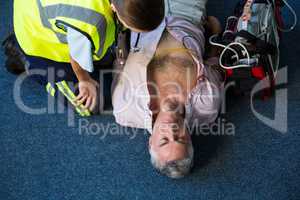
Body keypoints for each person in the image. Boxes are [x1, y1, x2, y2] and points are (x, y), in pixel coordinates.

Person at [112, 0, 224, 178]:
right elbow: (215, 64)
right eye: (179, 139)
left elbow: (119, 64)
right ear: (189, 138)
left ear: (150, 143)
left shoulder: (125, 110)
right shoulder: (207, 106)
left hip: (143, 14)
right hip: (186, 14)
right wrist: (215, 32)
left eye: (164, 141)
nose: (171, 131)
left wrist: (124, 19)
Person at [3, 0, 165, 112]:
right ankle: (23, 56)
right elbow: (75, 57)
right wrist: (84, 80)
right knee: (89, 105)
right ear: (114, 9)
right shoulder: (91, 25)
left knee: (108, 52)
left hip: (41, 7)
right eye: (135, 28)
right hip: (36, 36)